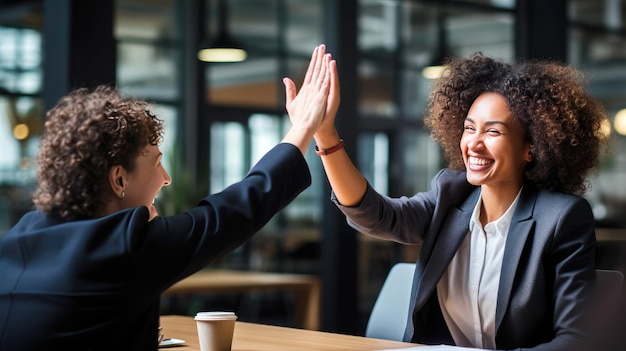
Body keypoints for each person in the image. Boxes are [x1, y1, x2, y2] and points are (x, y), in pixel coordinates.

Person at [0, 44, 336, 350]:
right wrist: (302, 128)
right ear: (119, 179)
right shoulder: (123, 246)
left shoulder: (19, 237)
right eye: (157, 164)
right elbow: (235, 211)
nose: (166, 179)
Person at [311, 52, 610, 350]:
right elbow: (376, 215)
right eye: (469, 128)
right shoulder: (449, 195)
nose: (474, 144)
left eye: (493, 131)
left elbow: (575, 341)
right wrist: (326, 136)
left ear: (531, 149)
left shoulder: (561, 218)